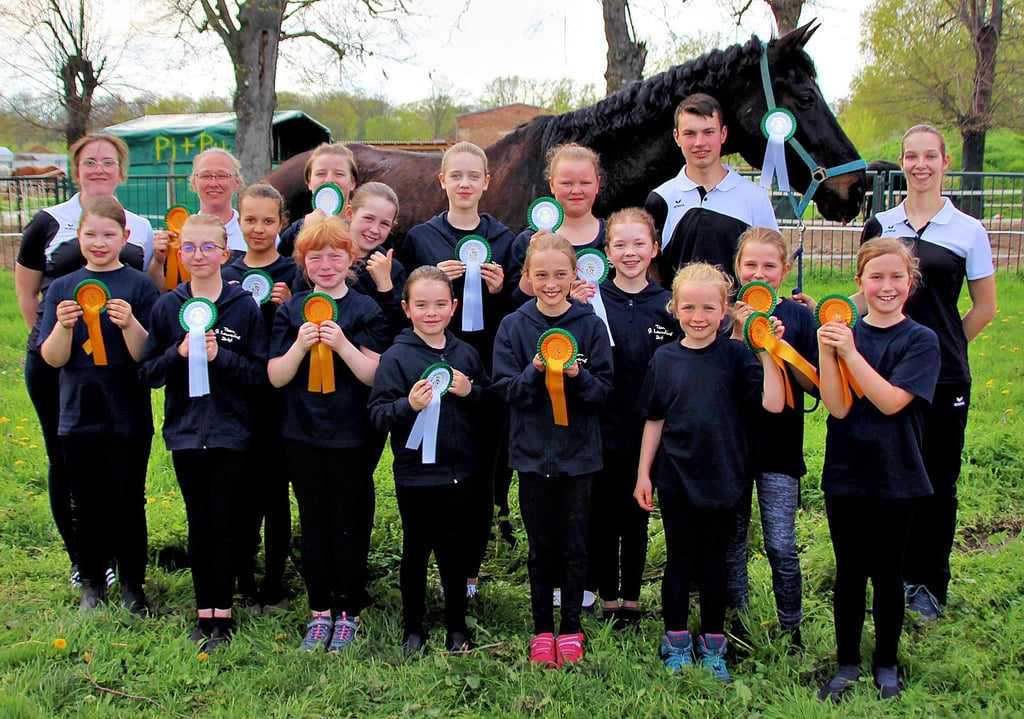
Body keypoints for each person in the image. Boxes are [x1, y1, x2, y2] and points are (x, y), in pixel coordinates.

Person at [861, 125, 997, 620]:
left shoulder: (969, 230)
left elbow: (984, 308)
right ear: (901, 162)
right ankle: (892, 573)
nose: (920, 165)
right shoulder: (880, 224)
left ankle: (930, 583)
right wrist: (826, 312)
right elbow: (867, 290)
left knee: (938, 479)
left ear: (944, 161)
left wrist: (937, 352)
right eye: (911, 157)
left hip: (943, 380)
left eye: (930, 157)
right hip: (881, 376)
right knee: (890, 475)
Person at [14, 132, 158, 589]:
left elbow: (149, 282)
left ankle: (125, 565)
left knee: (121, 473)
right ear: (76, 168)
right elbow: (25, 292)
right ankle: (84, 562)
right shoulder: (48, 222)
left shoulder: (139, 225)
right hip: (64, 364)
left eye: (108, 162)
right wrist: (55, 333)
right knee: (69, 461)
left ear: (121, 170)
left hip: (120, 373)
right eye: (89, 161)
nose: (99, 169)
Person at [634, 262, 785, 682]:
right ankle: (677, 640)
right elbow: (654, 419)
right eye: (688, 308)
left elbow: (772, 405)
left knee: (715, 563)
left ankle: (713, 644)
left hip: (725, 477)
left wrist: (768, 352)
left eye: (707, 309)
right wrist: (643, 474)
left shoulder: (736, 356)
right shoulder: (665, 358)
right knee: (680, 561)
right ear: (675, 309)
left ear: (724, 312)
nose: (697, 318)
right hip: (676, 478)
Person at [815, 238, 940, 702]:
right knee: (849, 571)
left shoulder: (920, 340)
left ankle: (886, 662)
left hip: (898, 474)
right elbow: (838, 406)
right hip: (846, 472)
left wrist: (848, 353)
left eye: (896, 278)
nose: (886, 287)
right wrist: (829, 353)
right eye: (876, 278)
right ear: (859, 284)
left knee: (888, 572)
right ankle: (847, 662)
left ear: (910, 283)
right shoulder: (843, 330)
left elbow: (890, 402)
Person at [139, 214, 269, 651]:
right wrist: (178, 353)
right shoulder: (165, 306)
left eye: (208, 247)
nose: (198, 255)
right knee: (199, 523)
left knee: (226, 520)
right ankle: (203, 610)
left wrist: (220, 358)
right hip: (185, 432)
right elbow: (149, 373)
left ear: (224, 254)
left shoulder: (243, 307)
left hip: (232, 433)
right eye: (189, 247)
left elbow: (259, 374)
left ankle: (225, 614)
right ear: (179, 253)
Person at [267, 216, 388, 652]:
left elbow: (375, 374)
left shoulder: (365, 309)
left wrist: (342, 345)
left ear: (349, 258)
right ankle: (320, 611)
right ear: (303, 262)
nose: (325, 264)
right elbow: (276, 376)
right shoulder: (290, 309)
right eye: (315, 257)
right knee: (315, 521)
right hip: (302, 432)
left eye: (335, 255)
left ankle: (350, 609)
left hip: (353, 435)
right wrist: (300, 346)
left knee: (350, 522)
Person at [492, 233, 614, 668]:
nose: (550, 283)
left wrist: (577, 377)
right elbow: (505, 390)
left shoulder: (591, 325)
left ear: (573, 276)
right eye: (541, 274)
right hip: (531, 454)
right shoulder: (513, 326)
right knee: (541, 546)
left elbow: (604, 393)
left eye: (560, 274)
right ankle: (542, 628)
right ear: (527, 276)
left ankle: (571, 629)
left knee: (575, 545)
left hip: (579, 455)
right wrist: (533, 372)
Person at [400, 141, 515, 599]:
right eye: (457, 175)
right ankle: (421, 565)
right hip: (429, 370)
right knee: (428, 463)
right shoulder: (420, 238)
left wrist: (503, 290)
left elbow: (518, 315)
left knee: (480, 472)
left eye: (474, 176)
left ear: (487, 183)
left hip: (481, 370)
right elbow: (403, 303)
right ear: (442, 180)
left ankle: (467, 573)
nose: (465, 183)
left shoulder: (504, 238)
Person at [37, 197, 158, 615]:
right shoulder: (62, 288)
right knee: (84, 501)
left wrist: (131, 324)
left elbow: (146, 355)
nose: (99, 243)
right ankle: (91, 580)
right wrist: (63, 326)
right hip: (77, 411)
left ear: (125, 237)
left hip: (127, 412)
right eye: (91, 234)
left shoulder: (140, 287)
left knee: (128, 499)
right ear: (79, 236)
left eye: (109, 235)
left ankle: (131, 584)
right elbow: (52, 358)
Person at [368, 266, 489, 654]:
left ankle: (456, 626)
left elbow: (489, 407)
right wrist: (409, 405)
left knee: (455, 551)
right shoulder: (396, 358)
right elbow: (378, 414)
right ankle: (414, 628)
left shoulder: (466, 354)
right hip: (415, 476)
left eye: (440, 304)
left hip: (460, 473)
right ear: (406, 308)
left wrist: (470, 391)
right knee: (416, 552)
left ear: (454, 308)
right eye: (422, 305)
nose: (431, 312)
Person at [570, 208, 674, 627]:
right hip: (598, 427)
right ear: (606, 251)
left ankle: (631, 597)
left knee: (636, 512)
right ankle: (605, 596)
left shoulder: (668, 305)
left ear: (654, 249)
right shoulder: (590, 299)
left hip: (647, 431)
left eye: (638, 244)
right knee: (600, 514)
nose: (629, 253)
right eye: (620, 245)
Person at [724, 227, 818, 648]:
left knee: (781, 543)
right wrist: (741, 332)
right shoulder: (722, 313)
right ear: (737, 268)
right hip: (732, 448)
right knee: (733, 542)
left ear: (784, 269)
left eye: (769, 266)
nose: (759, 273)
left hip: (780, 447)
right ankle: (737, 622)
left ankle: (791, 626)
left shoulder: (798, 317)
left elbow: (815, 385)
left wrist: (778, 348)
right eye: (750, 265)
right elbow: (713, 374)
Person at [221, 183, 300, 613]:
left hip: (279, 398)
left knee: (275, 491)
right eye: (250, 219)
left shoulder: (293, 272)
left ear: (281, 224)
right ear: (238, 219)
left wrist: (288, 305)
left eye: (268, 220)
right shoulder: (226, 269)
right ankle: (241, 576)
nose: (258, 228)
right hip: (236, 395)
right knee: (241, 490)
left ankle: (274, 581)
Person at [644, 93, 778, 288]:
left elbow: (770, 265)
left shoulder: (754, 197)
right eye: (690, 133)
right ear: (677, 137)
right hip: (677, 317)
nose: (700, 142)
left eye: (709, 132)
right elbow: (650, 267)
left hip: (737, 317)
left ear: (723, 134)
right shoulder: (660, 199)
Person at [508, 143, 606, 303]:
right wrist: (534, 258)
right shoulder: (527, 242)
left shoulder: (615, 239)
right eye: (567, 183)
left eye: (585, 183)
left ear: (597, 184)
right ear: (552, 184)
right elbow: (513, 303)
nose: (576, 190)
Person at [341, 181, 408, 338]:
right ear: (350, 213)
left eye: (384, 224)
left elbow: (399, 329)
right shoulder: (325, 256)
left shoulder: (394, 269)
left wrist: (386, 287)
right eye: (369, 218)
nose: (374, 230)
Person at [154, 149, 245, 258]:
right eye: (205, 176)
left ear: (237, 183)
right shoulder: (176, 235)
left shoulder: (251, 233)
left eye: (222, 176)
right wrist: (158, 261)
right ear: (194, 183)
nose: (213, 183)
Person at [278, 143, 359, 257]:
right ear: (309, 182)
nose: (329, 180)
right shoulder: (293, 234)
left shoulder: (364, 232)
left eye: (339, 174)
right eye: (320, 174)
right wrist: (304, 232)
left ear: (352, 182)